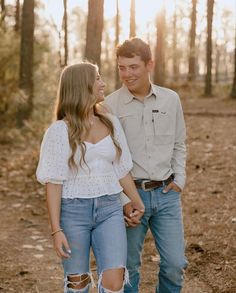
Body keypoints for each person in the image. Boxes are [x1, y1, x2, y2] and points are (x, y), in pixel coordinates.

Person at [36, 62, 145, 293]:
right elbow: (53, 184)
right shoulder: (59, 131)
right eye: (97, 79)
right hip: (73, 213)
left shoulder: (110, 122)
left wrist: (136, 200)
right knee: (78, 283)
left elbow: (121, 169)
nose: (103, 83)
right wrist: (56, 230)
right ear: (81, 85)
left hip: (110, 209)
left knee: (115, 281)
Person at [105, 38, 188, 293]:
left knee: (175, 264)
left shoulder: (170, 99)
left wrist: (179, 180)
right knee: (128, 268)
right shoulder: (109, 105)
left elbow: (179, 143)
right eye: (122, 67)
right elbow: (107, 158)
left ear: (149, 64)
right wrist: (123, 200)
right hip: (130, 196)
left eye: (133, 67)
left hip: (166, 195)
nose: (127, 74)